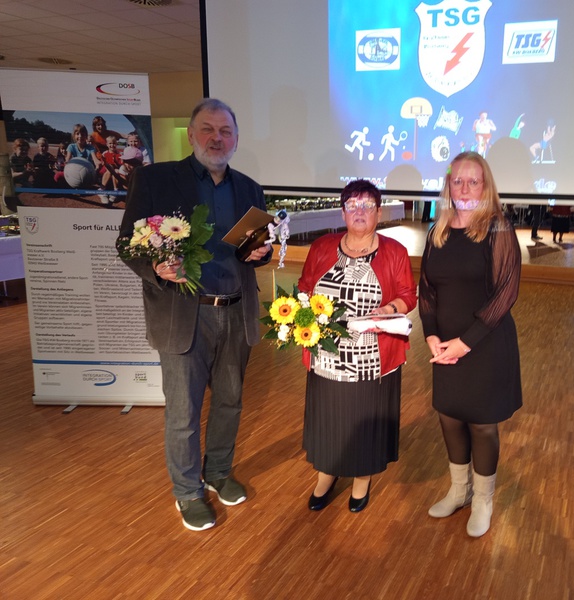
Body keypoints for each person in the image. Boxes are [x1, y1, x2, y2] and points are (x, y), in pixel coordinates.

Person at [117, 98, 273, 531]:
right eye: (208, 129)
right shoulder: (155, 180)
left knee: (229, 402)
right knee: (183, 412)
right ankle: (187, 491)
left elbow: (253, 249)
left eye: (225, 131)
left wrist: (261, 253)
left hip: (236, 311)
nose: (216, 138)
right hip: (184, 314)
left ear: (236, 139)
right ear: (191, 134)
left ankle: (218, 472)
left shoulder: (249, 188)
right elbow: (127, 244)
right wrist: (156, 268)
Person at [419, 151, 522, 538]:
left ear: (485, 186)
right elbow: (426, 289)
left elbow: (506, 293)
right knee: (449, 417)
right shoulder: (438, 231)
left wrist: (465, 342)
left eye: (472, 181)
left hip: (485, 342)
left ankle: (482, 500)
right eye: (457, 180)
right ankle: (459, 491)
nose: (463, 188)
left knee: (481, 425)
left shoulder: (497, 229)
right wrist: (431, 334)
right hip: (445, 344)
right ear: (448, 185)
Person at [298, 179, 417, 513]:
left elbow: (408, 295)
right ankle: (326, 474)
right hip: (327, 354)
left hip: (372, 356)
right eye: (352, 205)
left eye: (367, 205)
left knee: (365, 420)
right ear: (343, 212)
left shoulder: (395, 252)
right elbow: (305, 286)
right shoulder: (322, 246)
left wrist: (389, 309)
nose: (359, 211)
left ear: (378, 212)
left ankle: (362, 480)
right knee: (329, 418)